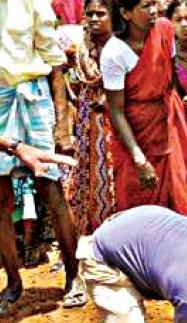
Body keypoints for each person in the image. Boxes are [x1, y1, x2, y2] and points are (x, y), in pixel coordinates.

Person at [0, 0, 81, 316]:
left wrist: (63, 125)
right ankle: (13, 283)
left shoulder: (32, 2)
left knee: (50, 188)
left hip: (33, 96)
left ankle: (73, 276)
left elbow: (55, 65)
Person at [101, 0, 187, 219]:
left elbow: (170, 77)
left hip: (168, 120)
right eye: (145, 6)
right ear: (126, 13)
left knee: (181, 188)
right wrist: (138, 157)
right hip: (136, 131)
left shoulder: (164, 29)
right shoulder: (114, 53)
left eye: (153, 4)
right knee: (141, 197)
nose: (153, 11)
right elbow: (116, 111)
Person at [67, 0, 119, 239]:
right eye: (90, 14)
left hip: (118, 120)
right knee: (91, 179)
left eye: (101, 13)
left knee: (115, 176)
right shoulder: (81, 49)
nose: (95, 18)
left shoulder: (122, 46)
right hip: (89, 124)